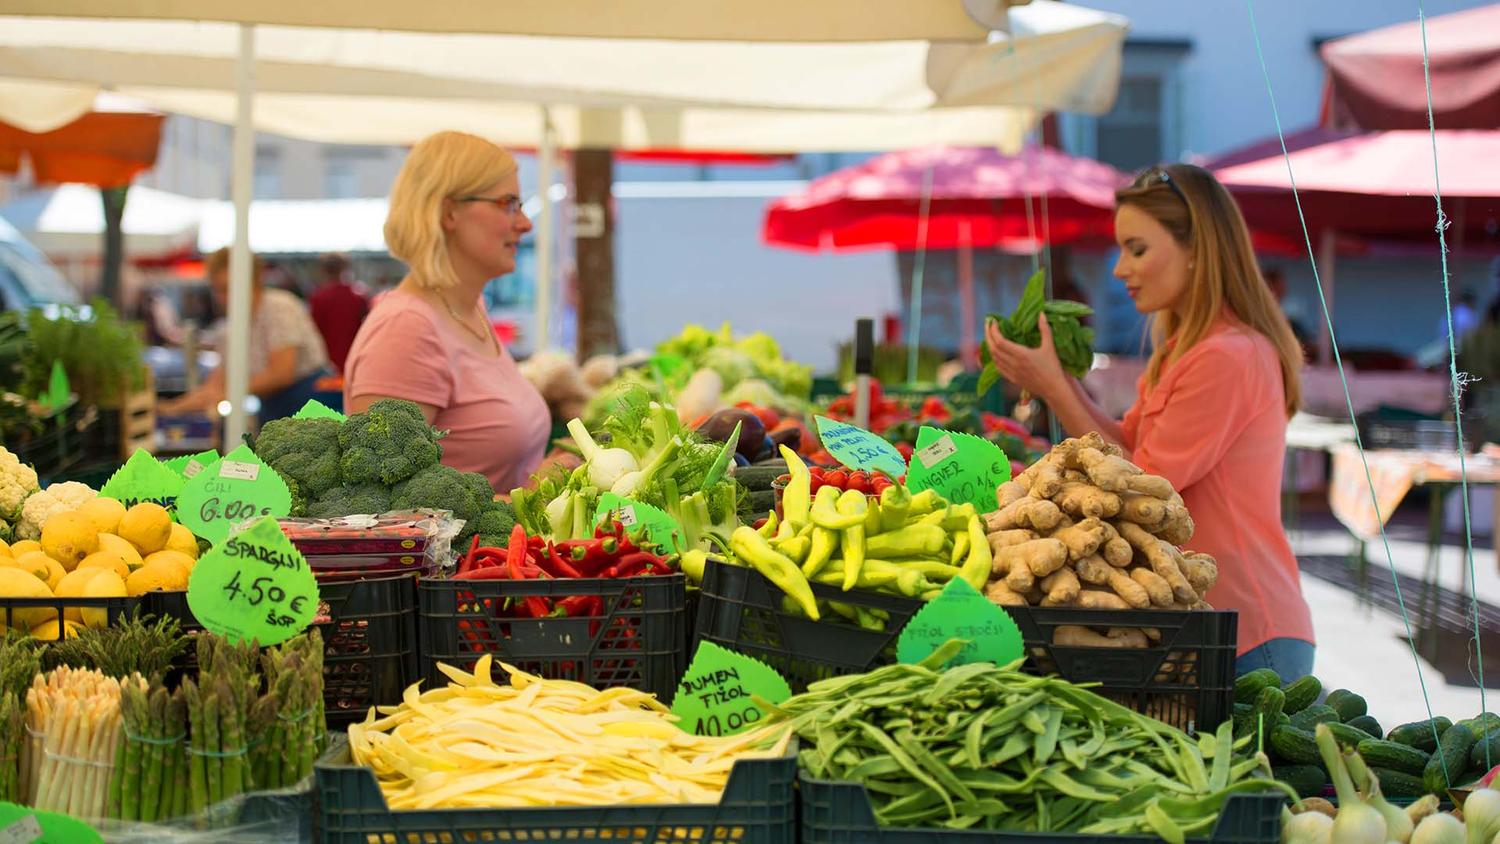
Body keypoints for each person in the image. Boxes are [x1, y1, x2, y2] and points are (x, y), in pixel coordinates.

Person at [985, 163, 1314, 680]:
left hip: (1248, 632)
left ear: (1197, 252)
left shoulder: (1227, 357)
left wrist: (1052, 384)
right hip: (1206, 621)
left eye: (1137, 249)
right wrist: (1059, 381)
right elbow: (1118, 446)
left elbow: (1133, 492)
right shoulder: (1189, 349)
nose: (1119, 269)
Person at [342, 131, 551, 492]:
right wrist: (537, 492)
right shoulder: (407, 329)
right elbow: (383, 510)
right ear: (448, 211)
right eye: (508, 204)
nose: (525, 223)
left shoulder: (470, 311)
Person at [162, 248, 331, 423]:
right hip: (274, 409)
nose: (225, 298)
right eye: (218, 290)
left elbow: (282, 373)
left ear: (255, 281)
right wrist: (171, 408)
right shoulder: (230, 328)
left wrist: (228, 392)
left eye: (229, 288)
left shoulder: (279, 308)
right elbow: (216, 384)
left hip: (312, 404)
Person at [308, 252, 370, 373]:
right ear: (345, 268)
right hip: (354, 360)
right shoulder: (358, 296)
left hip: (326, 363)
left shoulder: (318, 298)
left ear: (323, 270)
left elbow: (314, 331)